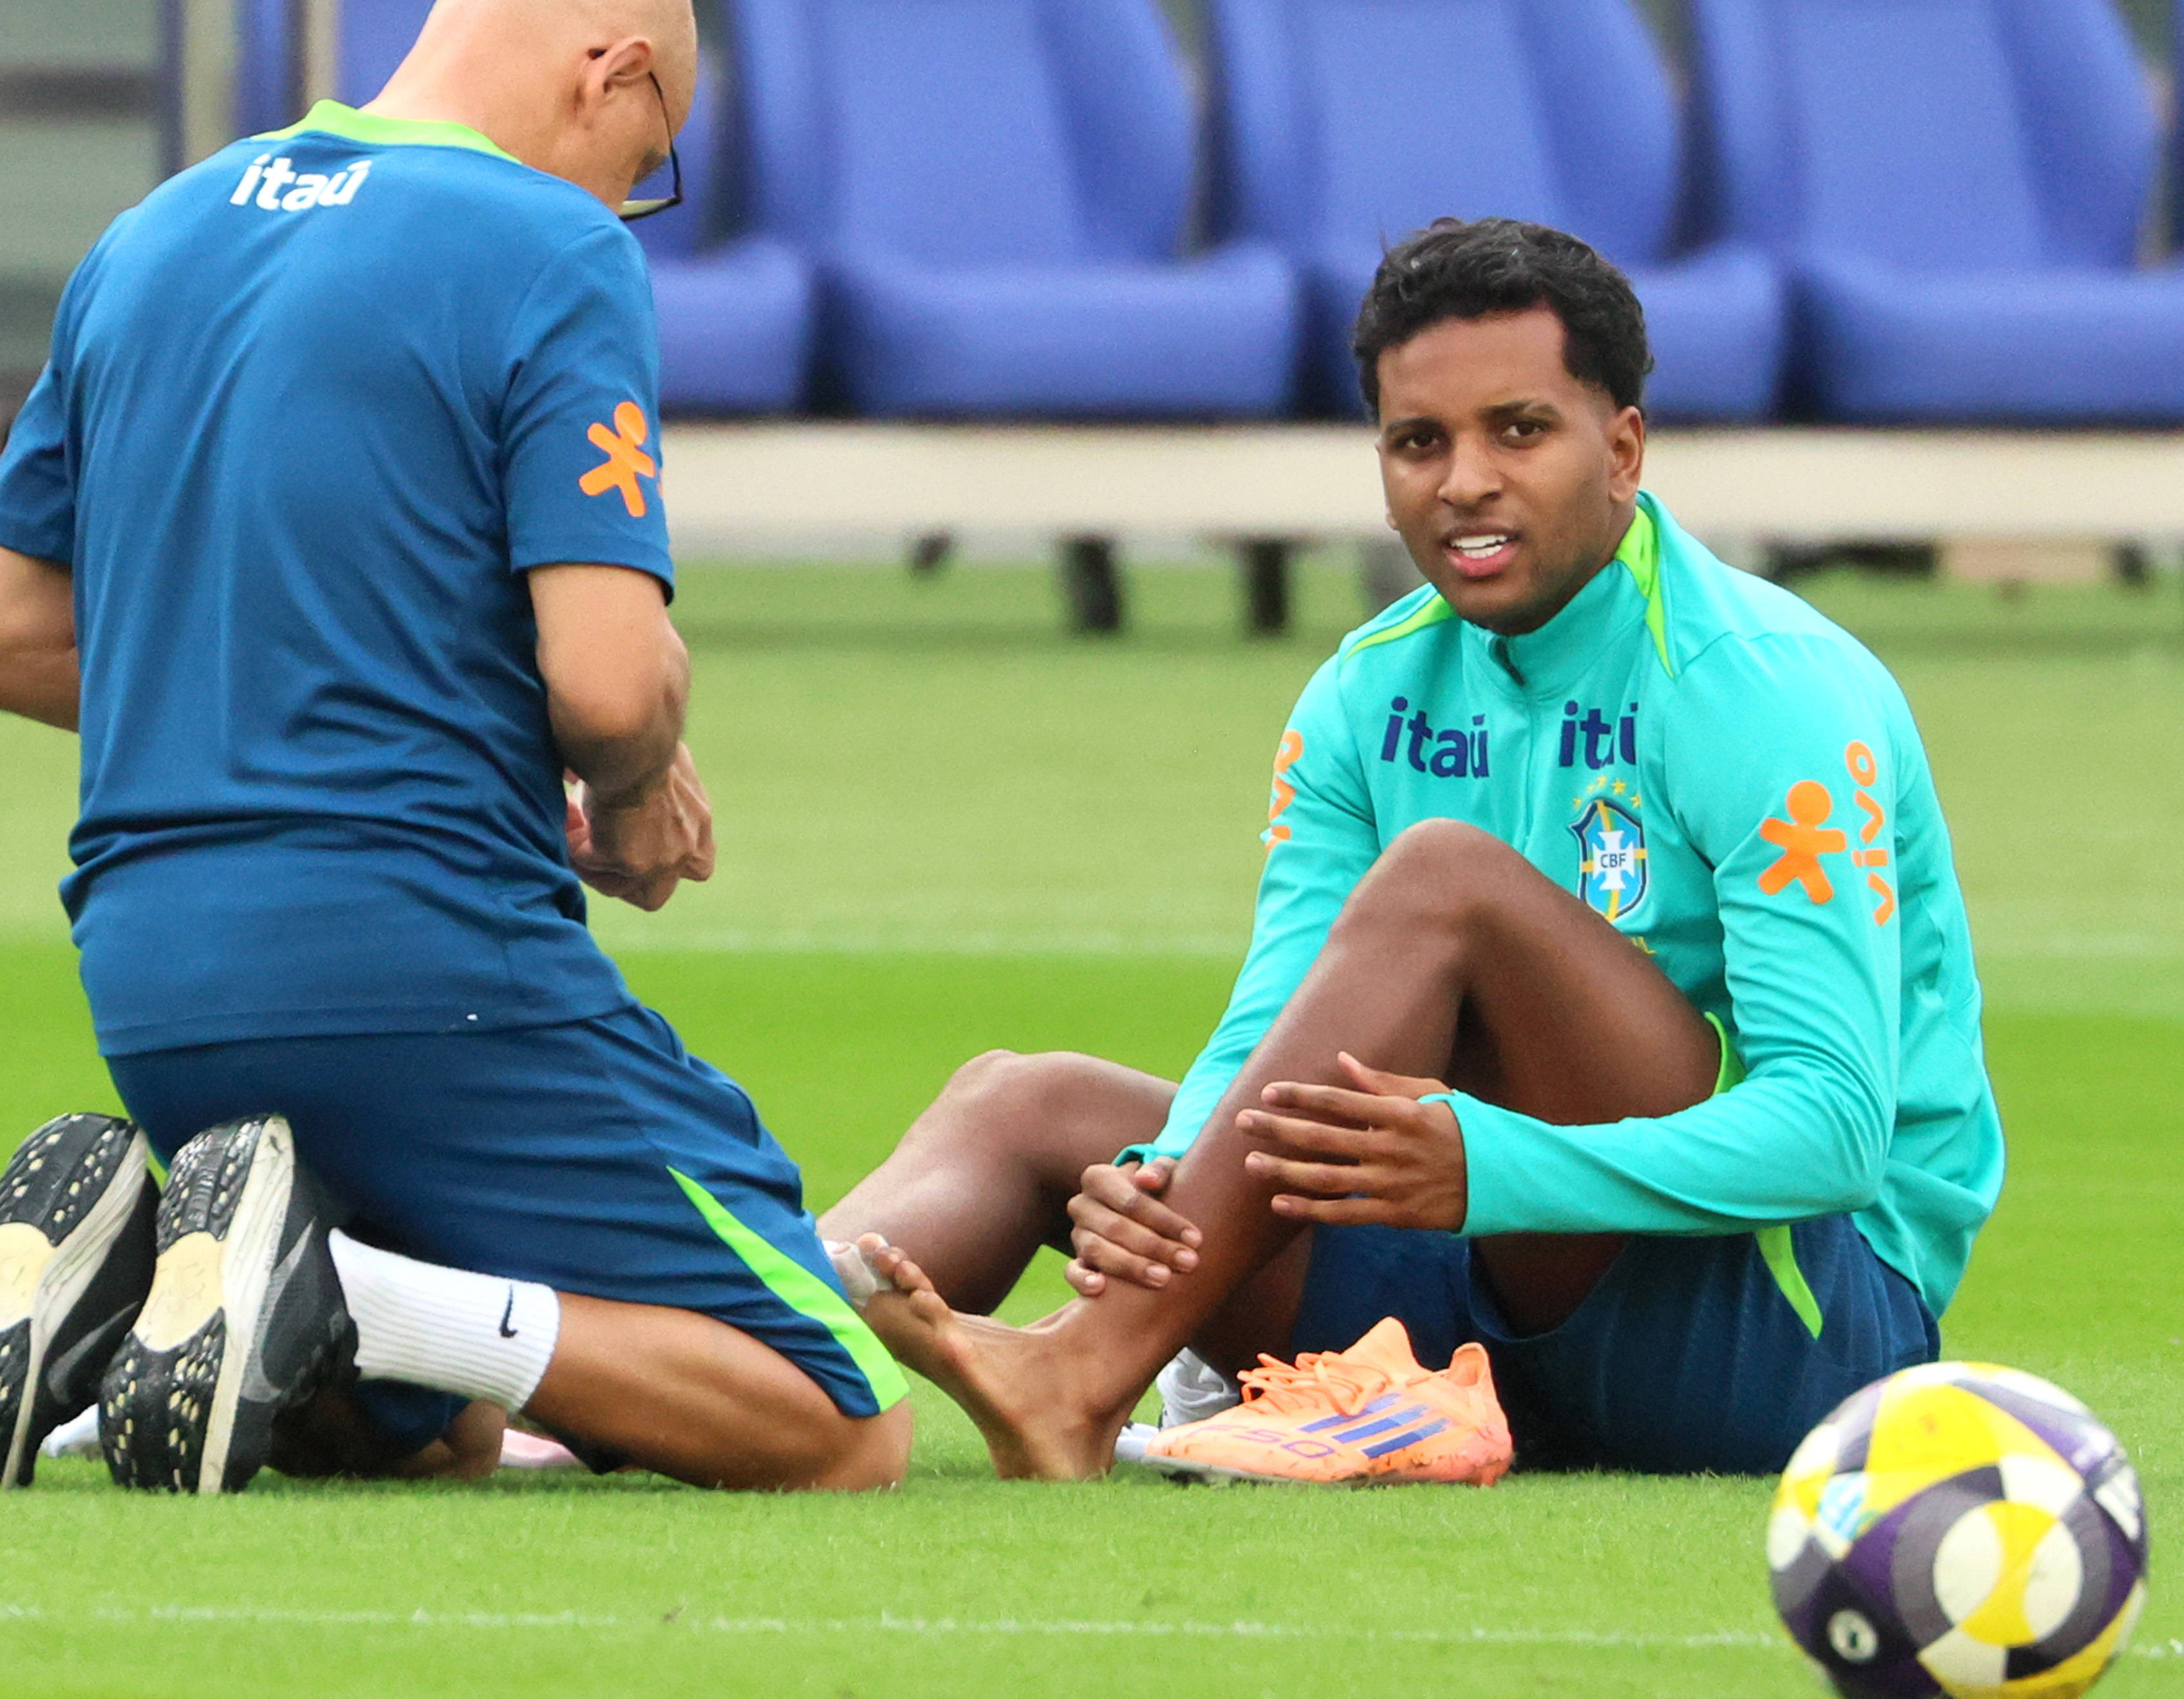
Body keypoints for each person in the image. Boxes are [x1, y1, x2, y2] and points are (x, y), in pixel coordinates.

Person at [0, 0, 911, 1496]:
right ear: (615, 72)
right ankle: (326, 1285)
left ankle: (163, 1282)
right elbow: (605, 683)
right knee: (831, 1416)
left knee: (444, 1440)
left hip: (154, 987)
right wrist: (632, 777)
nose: (628, 203)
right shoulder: (552, 247)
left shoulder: (150, 235)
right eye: (648, 161)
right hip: (423, 965)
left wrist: (349, 710)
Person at [819, 217, 2006, 1482]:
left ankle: (1080, 1373)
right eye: (1418, 442)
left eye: (1519, 431)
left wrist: (1489, 1164)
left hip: (1785, 1330)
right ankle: (726, 1353)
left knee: (1447, 882)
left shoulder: (1764, 685)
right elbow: (1273, 1018)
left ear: (1621, 448)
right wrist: (1166, 1182)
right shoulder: (1364, 693)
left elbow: (1831, 1131)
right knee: (1026, 1103)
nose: (1463, 482)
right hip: (1457, 1270)